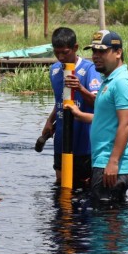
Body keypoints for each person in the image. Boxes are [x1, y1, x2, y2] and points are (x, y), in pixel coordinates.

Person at [66, 30, 128, 204]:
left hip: (112, 163)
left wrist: (113, 162)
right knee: (105, 217)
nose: (96, 56)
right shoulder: (109, 81)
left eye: (102, 51)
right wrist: (80, 115)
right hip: (103, 159)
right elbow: (106, 119)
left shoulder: (122, 82)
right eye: (94, 51)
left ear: (118, 52)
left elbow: (125, 125)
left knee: (108, 220)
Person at [40, 27, 101, 186]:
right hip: (61, 139)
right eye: (56, 52)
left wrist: (80, 88)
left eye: (65, 52)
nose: (60, 57)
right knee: (61, 184)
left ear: (75, 48)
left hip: (84, 142)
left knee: (83, 187)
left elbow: (98, 104)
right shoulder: (54, 70)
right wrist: (49, 120)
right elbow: (59, 101)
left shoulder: (89, 70)